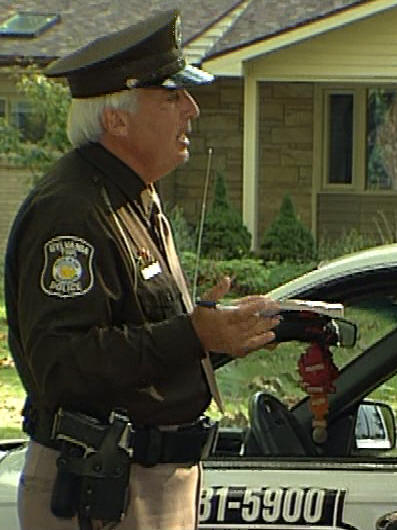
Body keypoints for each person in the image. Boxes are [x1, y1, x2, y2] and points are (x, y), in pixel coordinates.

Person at [4, 10, 280, 530]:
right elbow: (63, 364)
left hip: (139, 484)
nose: (191, 110)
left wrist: (220, 332)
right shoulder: (73, 211)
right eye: (171, 97)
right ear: (117, 119)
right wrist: (193, 334)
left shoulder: (130, 197)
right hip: (100, 491)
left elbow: (140, 343)